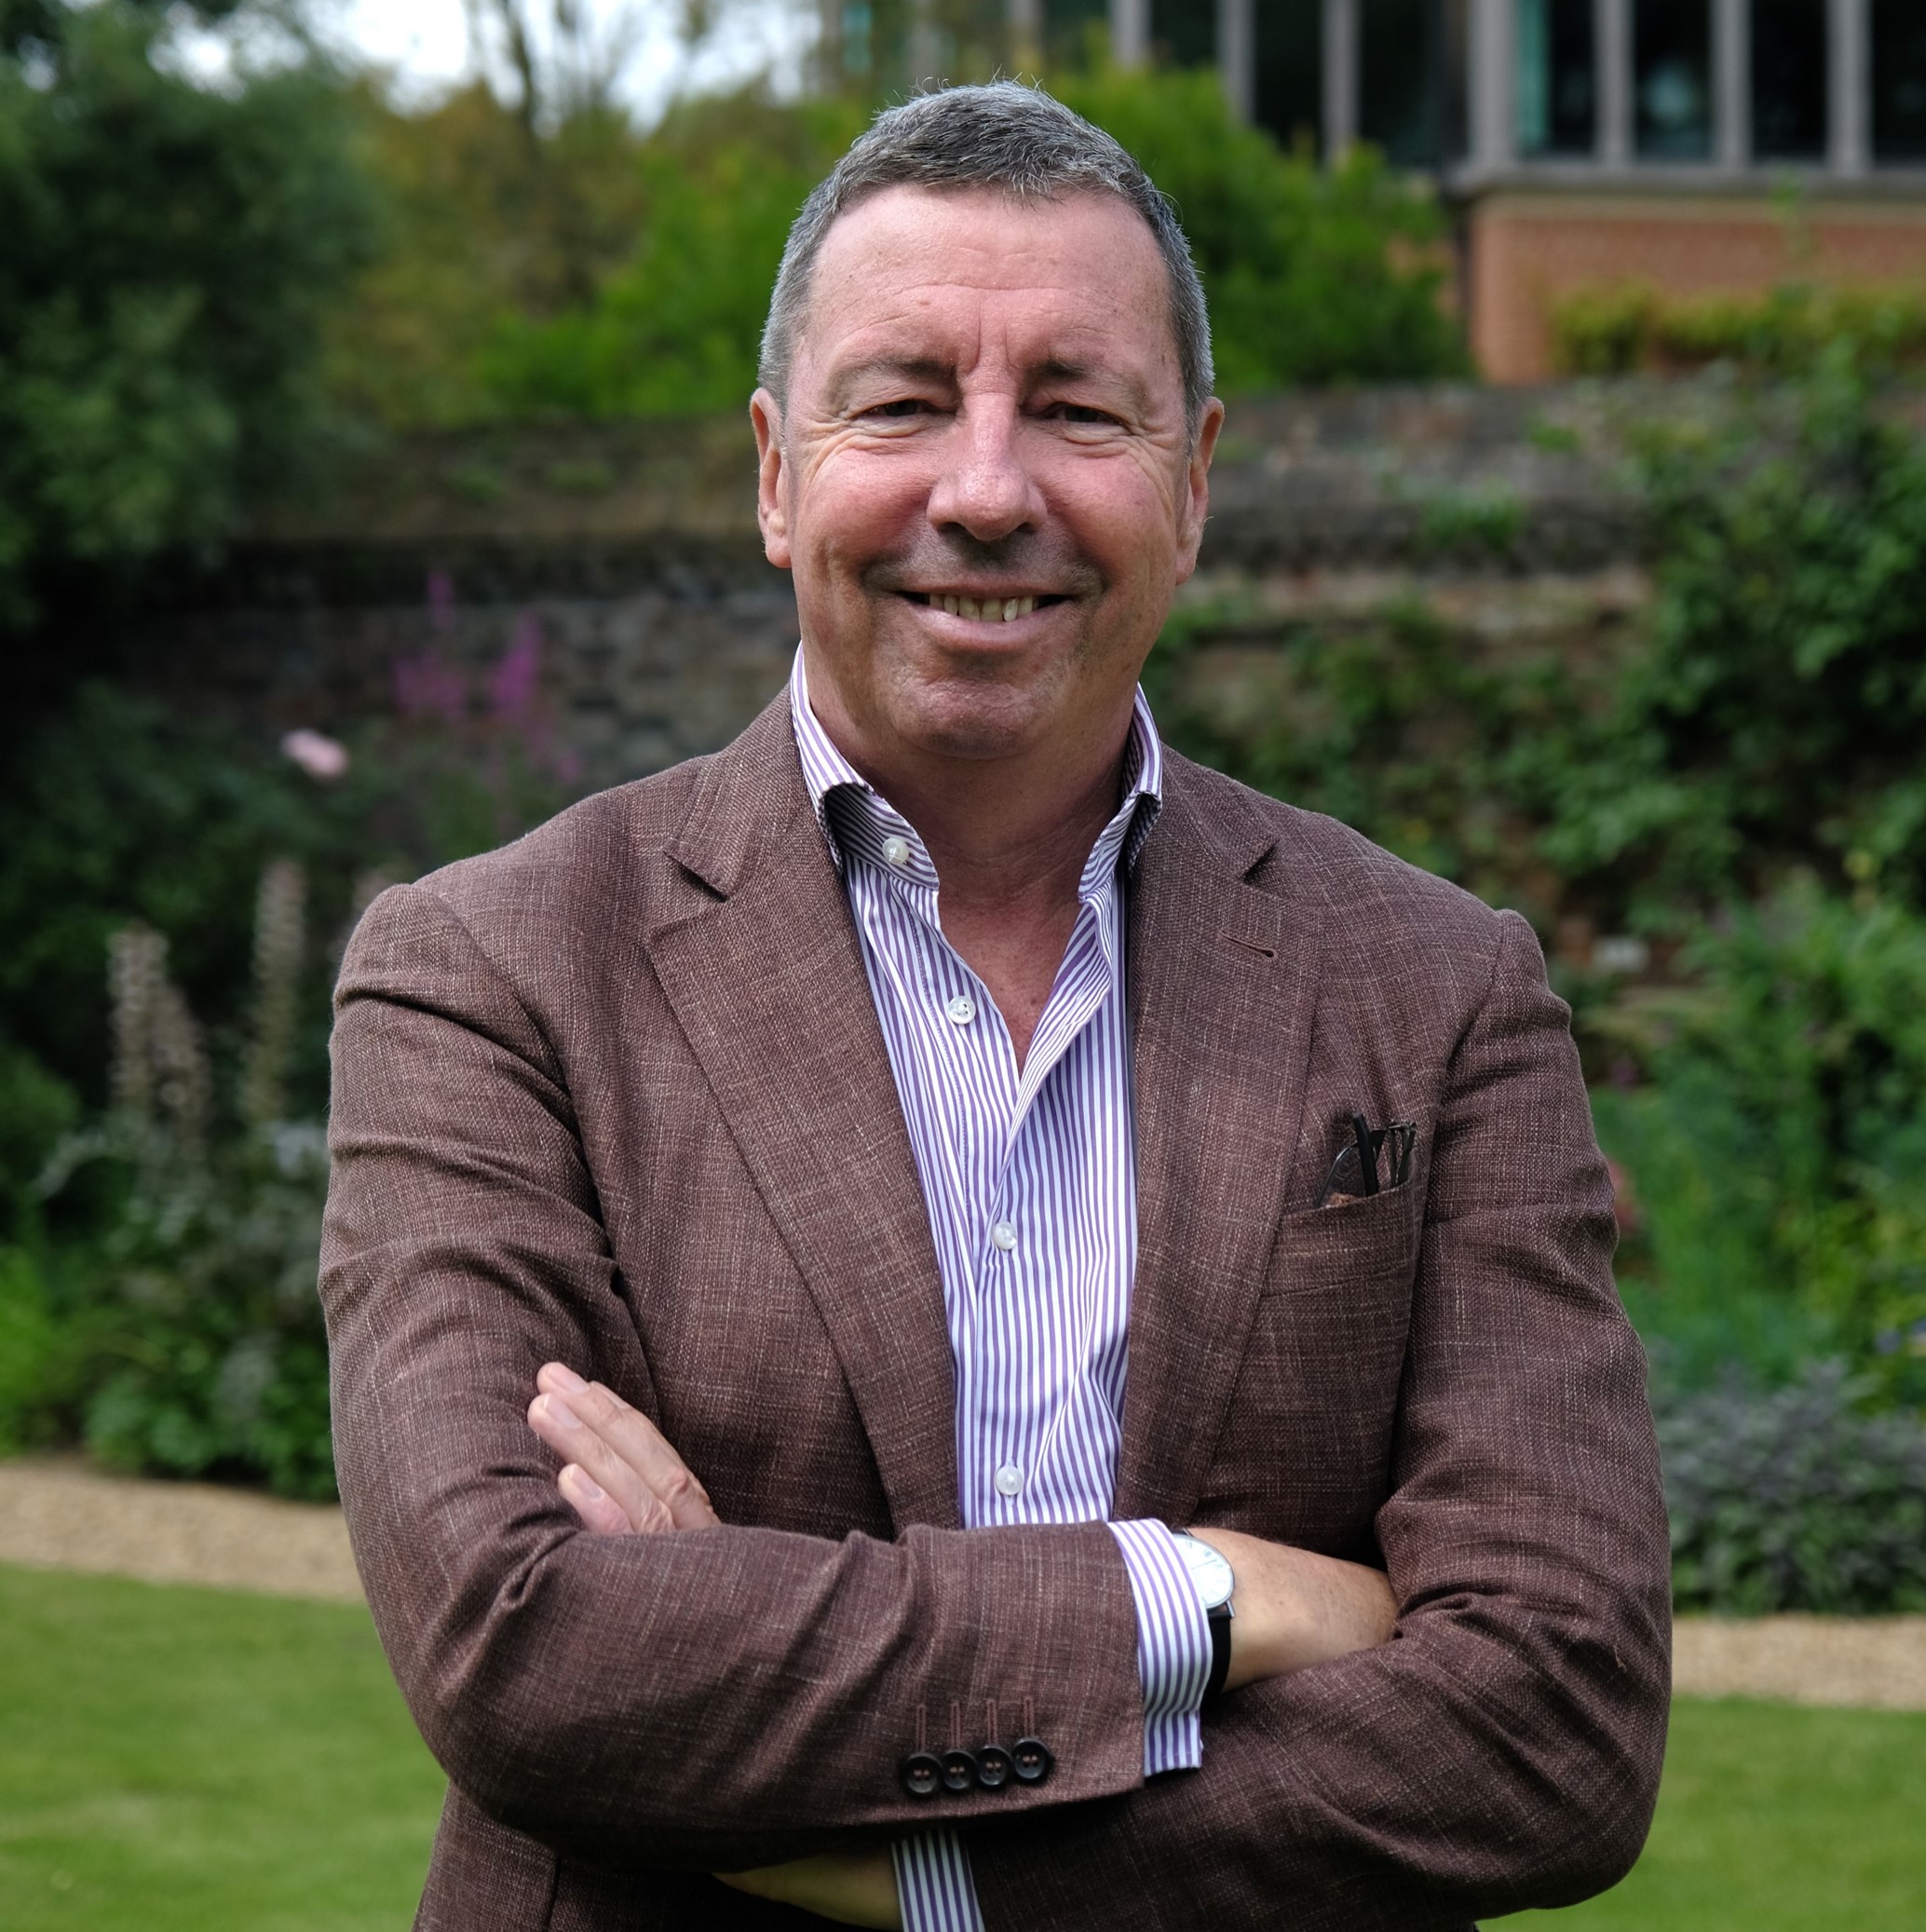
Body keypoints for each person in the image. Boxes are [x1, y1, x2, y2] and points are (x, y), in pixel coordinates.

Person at [321, 83, 1671, 1932]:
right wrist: (1198, 1597)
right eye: (897, 400)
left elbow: (1559, 1722)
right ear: (774, 470)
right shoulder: (491, 971)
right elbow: (521, 1643)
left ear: (1190, 478)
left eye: (1070, 404)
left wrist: (892, 1852)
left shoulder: (1435, 988)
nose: (980, 487)